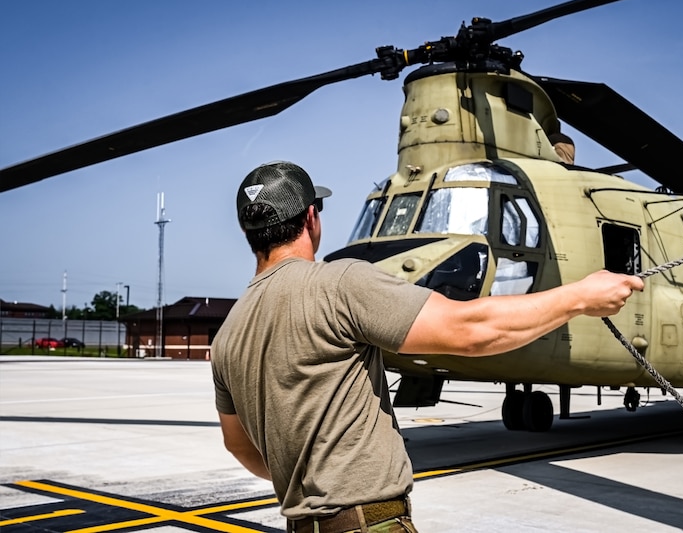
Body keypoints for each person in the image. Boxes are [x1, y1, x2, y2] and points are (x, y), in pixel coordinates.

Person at [211, 160, 644, 533]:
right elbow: (469, 330)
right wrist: (582, 297)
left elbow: (240, 446)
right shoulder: (338, 283)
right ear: (311, 218)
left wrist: (310, 487)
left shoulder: (228, 335)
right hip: (369, 523)